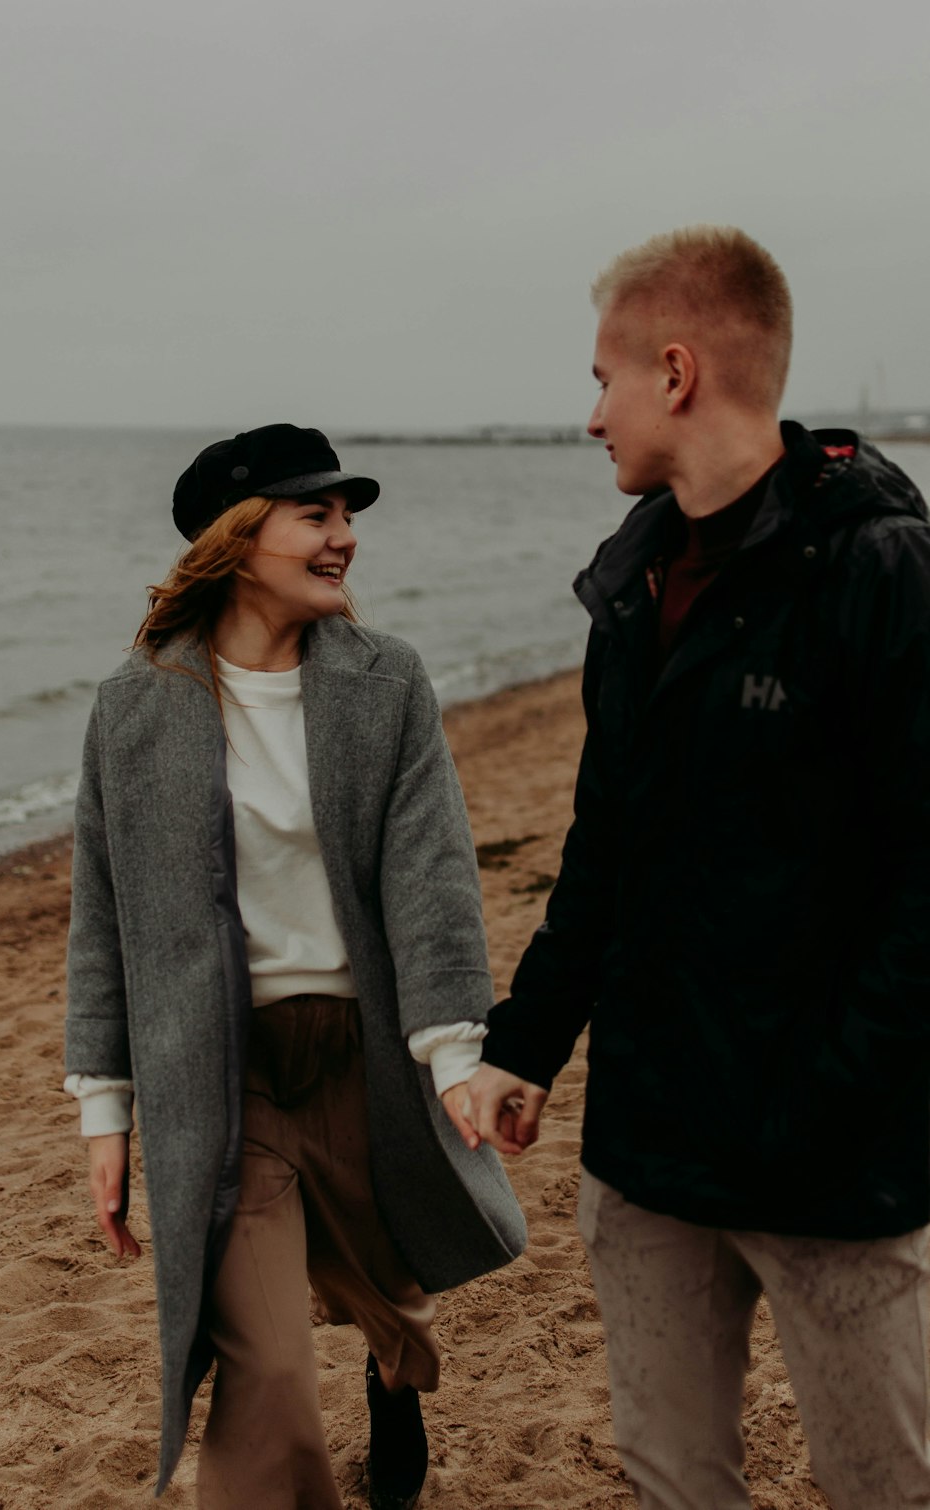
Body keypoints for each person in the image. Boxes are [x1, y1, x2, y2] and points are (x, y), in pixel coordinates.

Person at [463, 226, 930, 1509]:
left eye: (602, 378)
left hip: (831, 1160)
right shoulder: (631, 583)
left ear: (675, 371)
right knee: (673, 1480)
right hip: (649, 1147)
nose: (591, 414)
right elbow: (606, 844)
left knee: (882, 1484)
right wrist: (527, 1040)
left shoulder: (880, 569)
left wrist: (836, 1092)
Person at [64, 422, 526, 1509]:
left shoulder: (386, 683)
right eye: (316, 513)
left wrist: (454, 1050)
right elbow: (102, 922)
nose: (344, 537)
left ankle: (394, 1383)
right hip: (223, 1087)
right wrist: (104, 1112)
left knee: (399, 1303)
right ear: (237, 538)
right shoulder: (134, 708)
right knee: (265, 1375)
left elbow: (433, 876)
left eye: (347, 515)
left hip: (367, 1062)